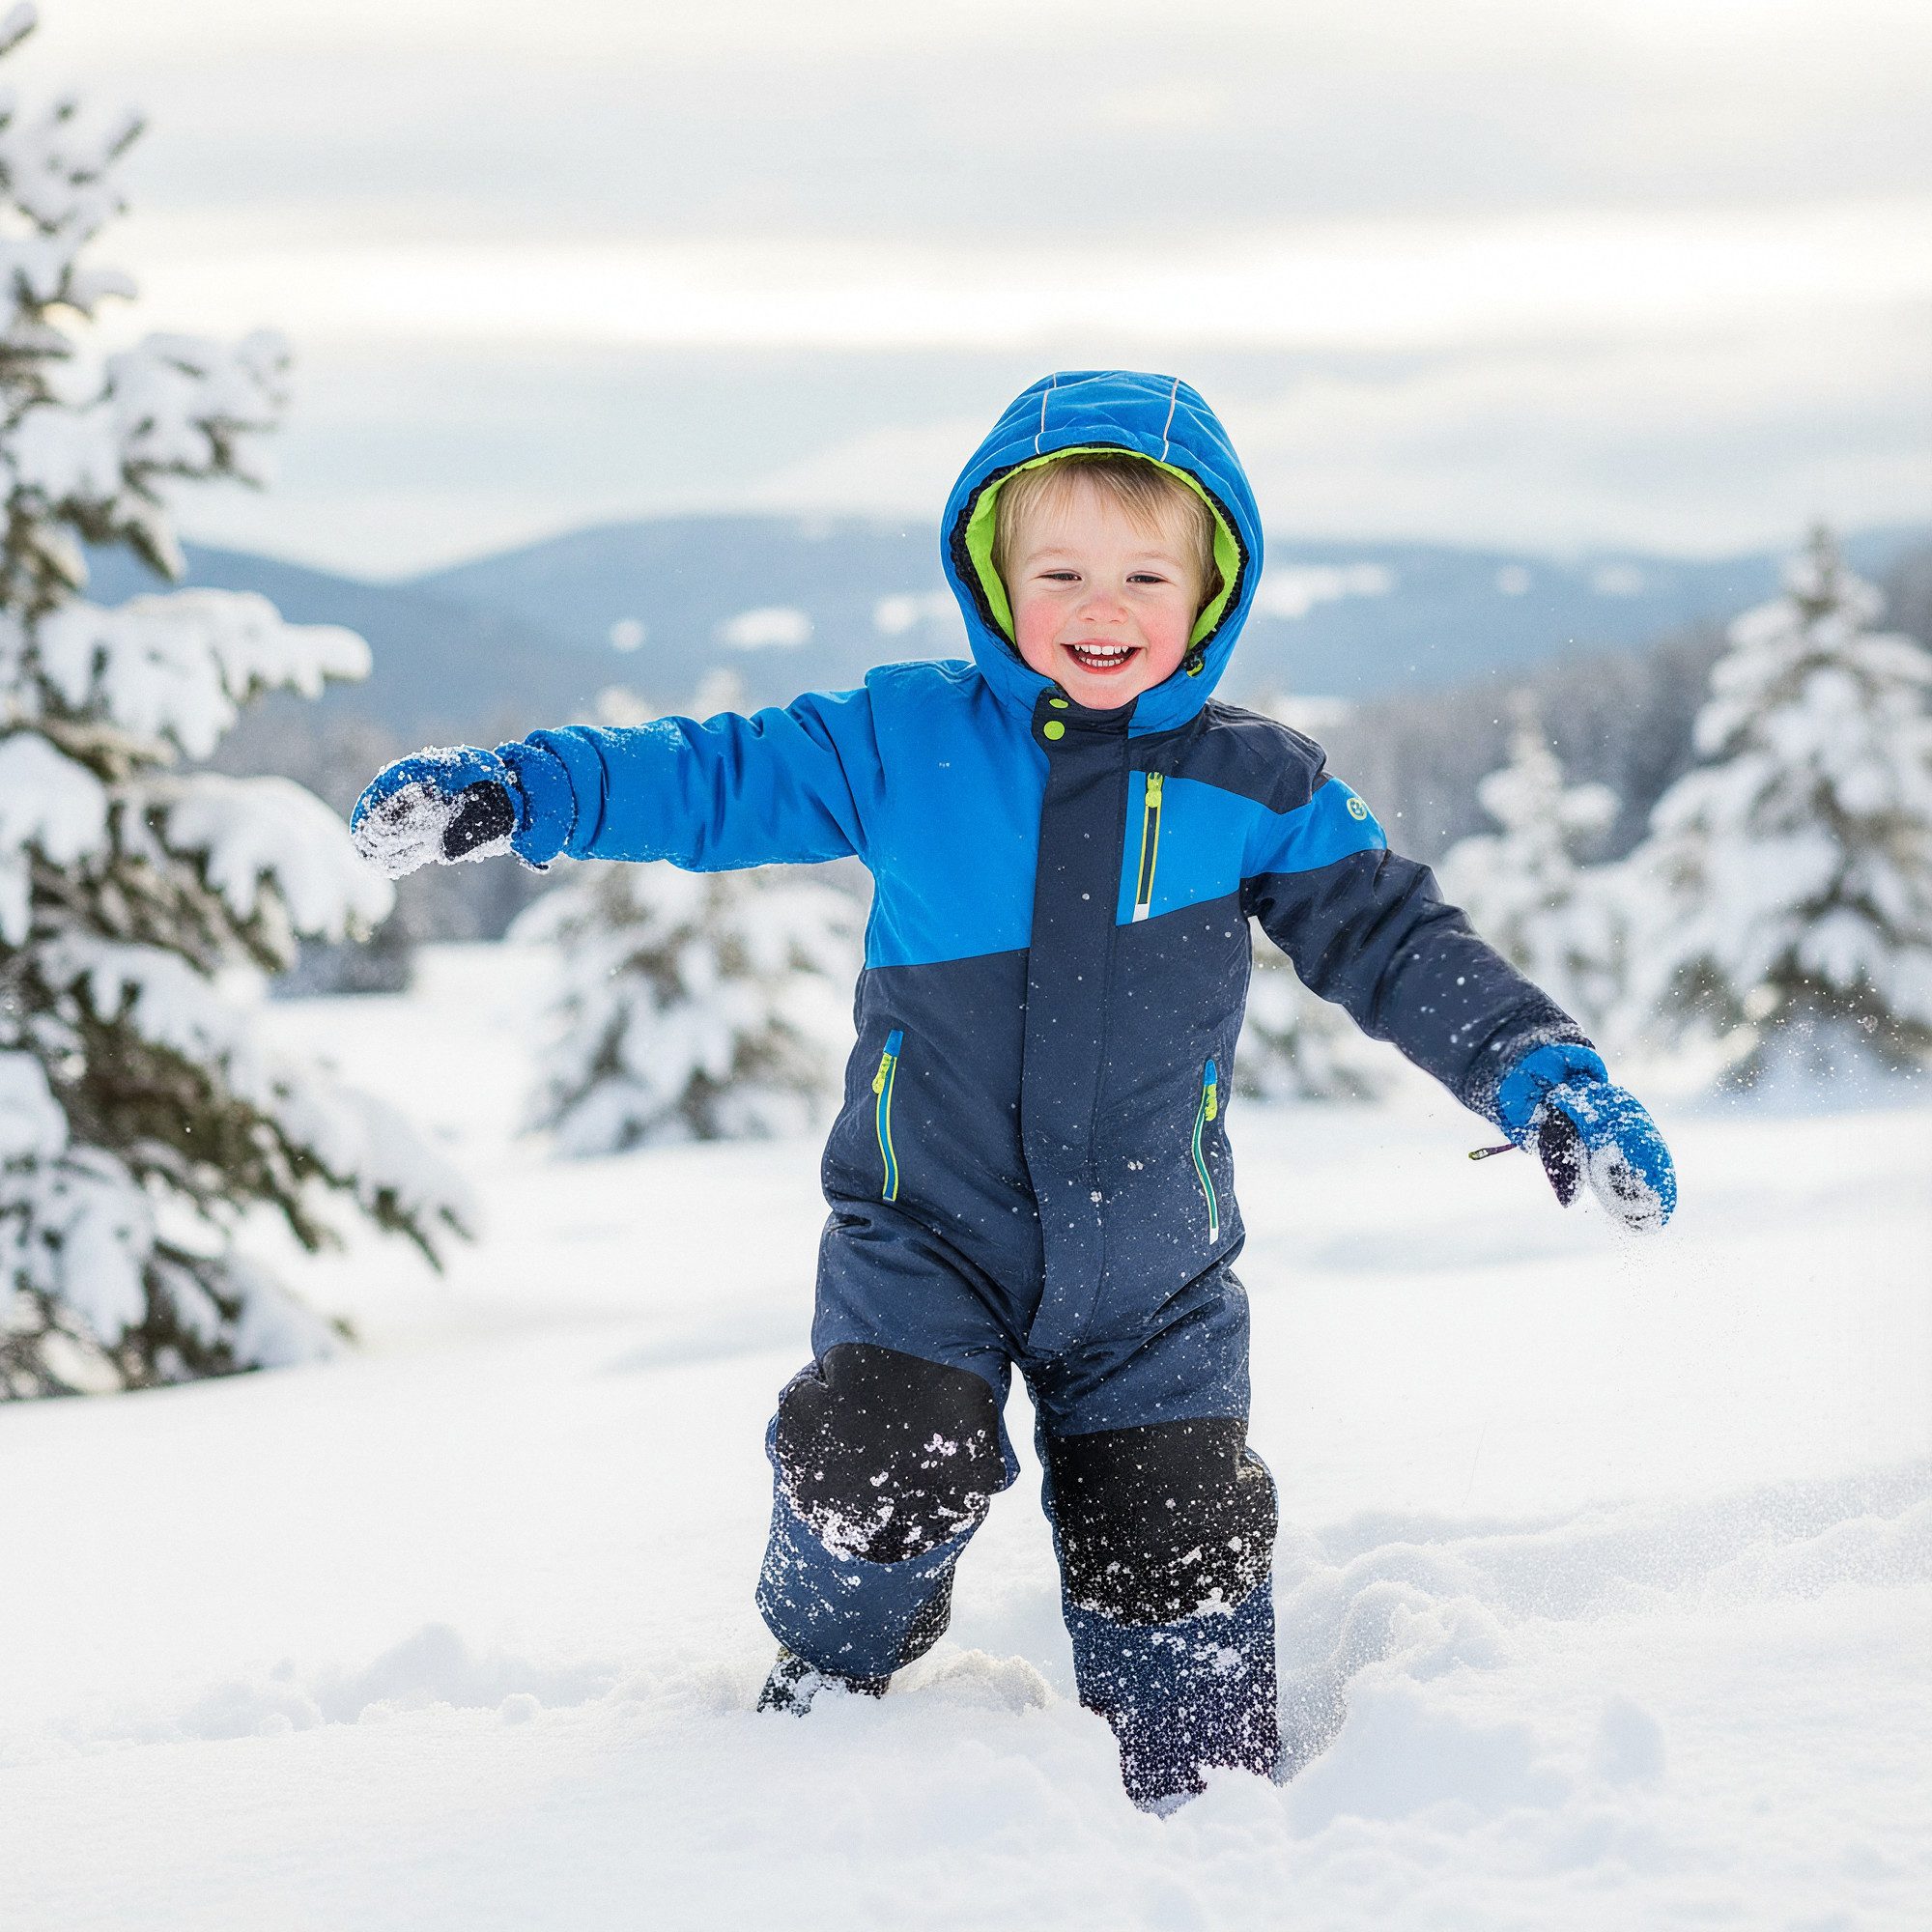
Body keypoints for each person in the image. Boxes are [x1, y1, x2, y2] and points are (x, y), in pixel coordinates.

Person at [350, 371, 1676, 1812]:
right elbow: (708, 775)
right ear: (994, 576)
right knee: (878, 1465)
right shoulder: (899, 741)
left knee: (1180, 1574)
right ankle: (818, 1693)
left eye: (1142, 574)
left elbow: (1398, 940)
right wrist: (517, 791)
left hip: (1155, 1274)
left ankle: (1203, 1827)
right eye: (1060, 572)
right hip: (930, 1233)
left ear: (1210, 586)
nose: (1101, 606)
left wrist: (1540, 1072)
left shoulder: (1260, 785)